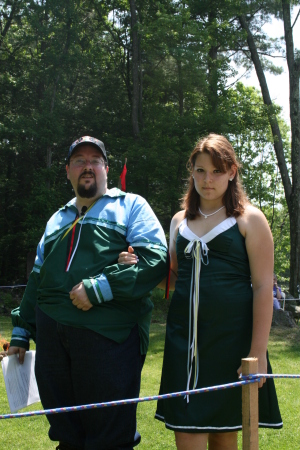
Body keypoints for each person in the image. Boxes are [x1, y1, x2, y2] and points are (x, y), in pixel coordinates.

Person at [119, 134, 282, 450]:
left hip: (232, 345)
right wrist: (136, 264)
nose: (208, 180)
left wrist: (258, 353)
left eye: (218, 171)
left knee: (224, 435)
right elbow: (176, 277)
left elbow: (263, 287)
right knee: (188, 431)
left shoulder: (250, 219)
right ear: (191, 171)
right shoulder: (179, 220)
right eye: (201, 170)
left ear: (232, 171)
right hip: (185, 345)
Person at [8, 136, 168, 450]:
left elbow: (156, 261)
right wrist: (20, 329)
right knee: (67, 435)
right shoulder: (57, 218)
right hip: (52, 339)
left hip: (108, 336)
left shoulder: (131, 206)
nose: (88, 166)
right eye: (79, 160)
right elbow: (38, 279)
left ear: (106, 169)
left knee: (109, 437)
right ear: (67, 170)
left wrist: (100, 288)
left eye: (95, 160)